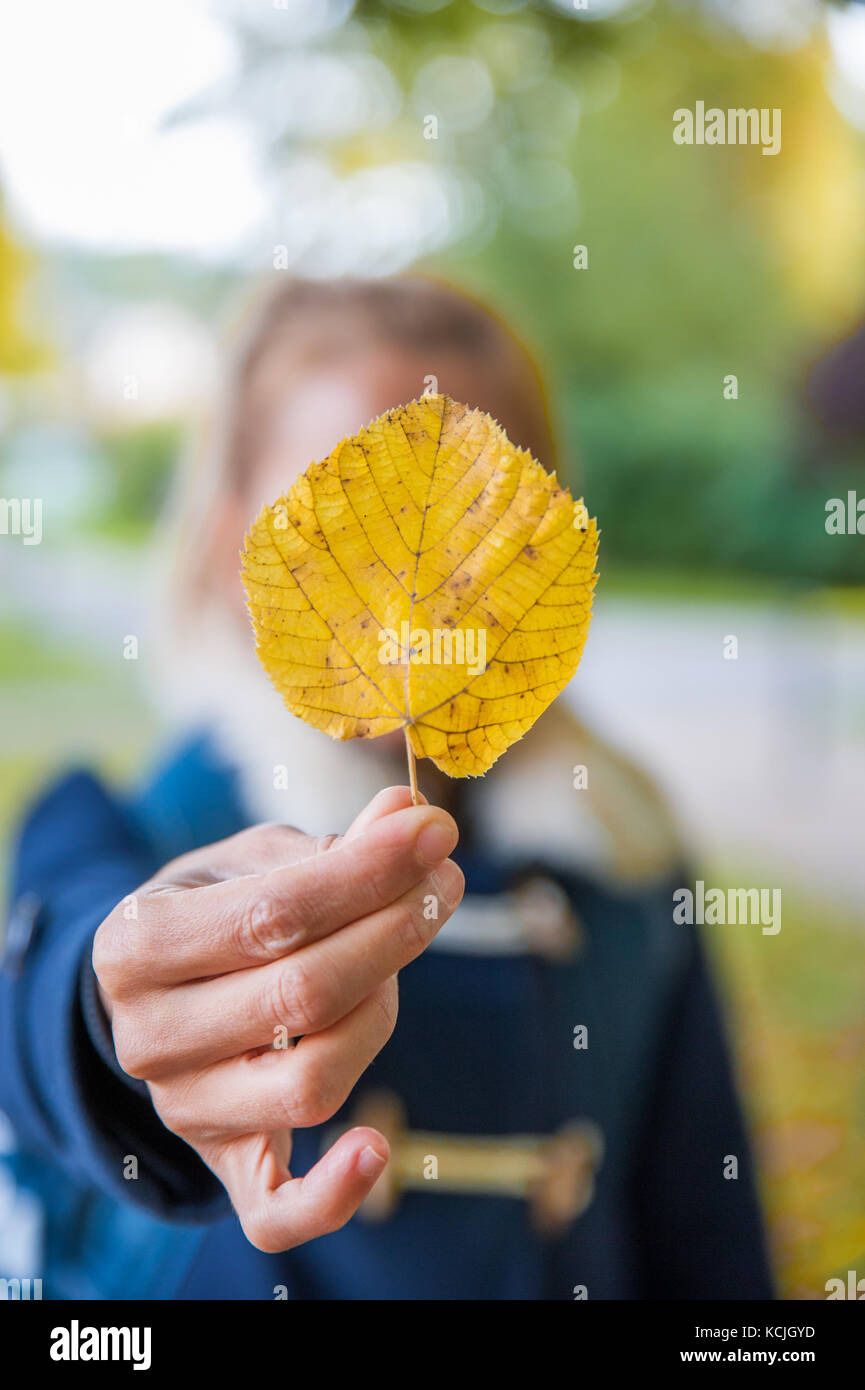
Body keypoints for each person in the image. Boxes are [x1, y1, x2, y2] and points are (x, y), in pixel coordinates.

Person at [0, 277, 773, 1300]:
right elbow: (54, 995)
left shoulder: (627, 858)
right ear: (232, 540)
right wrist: (107, 1023)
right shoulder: (119, 829)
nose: (421, 584)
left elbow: (707, 1222)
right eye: (340, 530)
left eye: (480, 527)